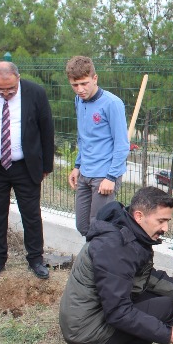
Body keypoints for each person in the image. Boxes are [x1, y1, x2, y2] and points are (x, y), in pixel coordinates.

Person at [59, 186, 173, 344]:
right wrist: (168, 334)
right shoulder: (115, 248)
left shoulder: (127, 232)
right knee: (165, 309)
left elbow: (145, 276)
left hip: (88, 318)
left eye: (168, 221)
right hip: (85, 332)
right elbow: (118, 312)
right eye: (161, 221)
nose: (166, 228)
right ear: (139, 216)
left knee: (161, 304)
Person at [0, 61, 55, 281]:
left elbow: (47, 130)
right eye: (0, 89)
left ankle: (35, 259)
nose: (5, 93)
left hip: (26, 166)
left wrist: (46, 166)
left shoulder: (35, 92)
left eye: (10, 89)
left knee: (31, 215)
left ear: (18, 78)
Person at [65, 56, 129, 237]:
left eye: (84, 83)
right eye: (75, 85)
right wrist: (77, 166)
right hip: (85, 172)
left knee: (99, 226)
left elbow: (122, 145)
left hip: (104, 175)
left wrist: (111, 176)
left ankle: (99, 264)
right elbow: (84, 137)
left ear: (95, 78)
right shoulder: (79, 101)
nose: (80, 89)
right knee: (82, 226)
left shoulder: (112, 103)